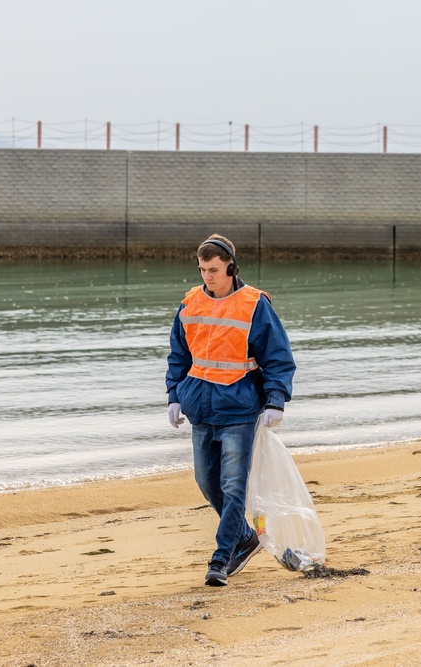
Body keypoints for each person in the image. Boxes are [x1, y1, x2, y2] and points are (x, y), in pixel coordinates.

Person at [165, 234, 296, 587]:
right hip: (200, 408)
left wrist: (275, 401)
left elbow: (279, 357)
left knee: (233, 487)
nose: (207, 276)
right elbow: (179, 355)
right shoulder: (190, 303)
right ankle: (245, 536)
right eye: (202, 269)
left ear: (231, 268)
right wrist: (174, 396)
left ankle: (221, 559)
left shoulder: (254, 304)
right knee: (207, 482)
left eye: (214, 269)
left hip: (239, 408)